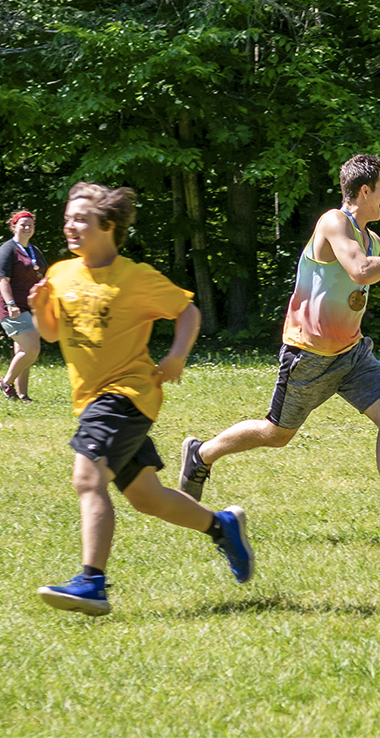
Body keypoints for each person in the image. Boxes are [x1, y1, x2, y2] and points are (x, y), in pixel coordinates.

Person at [178, 153, 380, 543]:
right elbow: (359, 271)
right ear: (363, 190)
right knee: (276, 434)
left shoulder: (372, 239)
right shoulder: (333, 222)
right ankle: (201, 453)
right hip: (309, 354)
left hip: (351, 353)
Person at [28, 182, 254, 616]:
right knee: (145, 496)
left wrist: (176, 356)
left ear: (108, 225)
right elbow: (53, 334)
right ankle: (221, 525)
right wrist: (40, 308)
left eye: (80, 219)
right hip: (92, 399)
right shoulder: (60, 273)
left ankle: (92, 582)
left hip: (127, 394)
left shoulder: (135, 277)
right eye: (67, 218)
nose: (69, 226)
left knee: (87, 478)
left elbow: (187, 311)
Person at [0, 210, 48, 402]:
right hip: (11, 307)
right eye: (23, 224)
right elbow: (1, 280)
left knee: (22, 351)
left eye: (30, 225)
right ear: (13, 226)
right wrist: (10, 304)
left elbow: (43, 275)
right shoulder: (7, 249)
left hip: (30, 306)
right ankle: (5, 382)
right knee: (32, 348)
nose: (27, 228)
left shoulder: (35, 251)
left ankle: (22, 395)